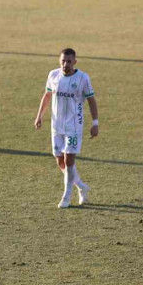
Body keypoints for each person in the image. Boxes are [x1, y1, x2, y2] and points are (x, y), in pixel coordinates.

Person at [34, 48, 99, 209]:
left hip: (74, 126)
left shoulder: (83, 78)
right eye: (63, 61)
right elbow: (47, 95)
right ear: (59, 60)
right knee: (60, 161)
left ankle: (66, 197)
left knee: (69, 160)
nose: (66, 64)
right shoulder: (53, 75)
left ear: (75, 62)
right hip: (56, 126)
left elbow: (91, 100)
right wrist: (39, 115)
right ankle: (82, 187)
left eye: (69, 61)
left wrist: (95, 122)